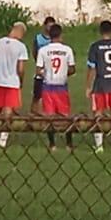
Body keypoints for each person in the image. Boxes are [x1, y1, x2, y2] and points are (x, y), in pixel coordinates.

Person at [86, 20, 111, 154]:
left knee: (98, 113)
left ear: (100, 31)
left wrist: (88, 86)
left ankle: (99, 146)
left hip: (100, 84)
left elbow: (92, 68)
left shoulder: (95, 46)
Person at [35, 23, 76, 151]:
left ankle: (52, 144)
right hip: (61, 86)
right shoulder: (67, 50)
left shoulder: (43, 50)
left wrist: (46, 73)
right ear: (60, 35)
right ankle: (69, 144)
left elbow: (38, 70)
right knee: (65, 115)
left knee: (49, 116)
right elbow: (72, 69)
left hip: (48, 86)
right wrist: (65, 72)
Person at [0, 21, 29, 148]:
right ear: (21, 32)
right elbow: (21, 69)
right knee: (8, 110)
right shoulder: (20, 47)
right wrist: (21, 81)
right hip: (12, 82)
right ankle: (3, 139)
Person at [31, 16, 57, 115]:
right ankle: (33, 112)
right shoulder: (38, 38)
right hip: (41, 69)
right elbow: (34, 52)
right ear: (45, 26)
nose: (50, 28)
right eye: (49, 26)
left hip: (52, 69)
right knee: (37, 94)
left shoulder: (55, 39)